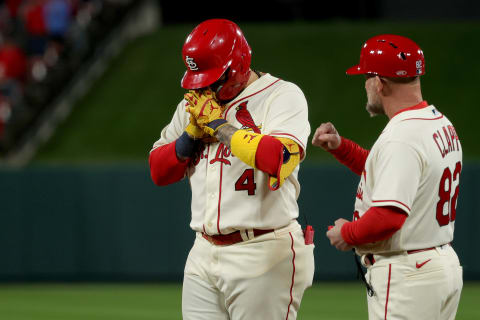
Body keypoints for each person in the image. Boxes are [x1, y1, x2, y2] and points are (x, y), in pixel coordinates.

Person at [149, 19, 314, 320]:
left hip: (263, 249)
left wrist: (218, 126)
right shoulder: (195, 104)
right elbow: (159, 172)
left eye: (212, 77)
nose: (205, 86)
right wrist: (190, 137)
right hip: (203, 251)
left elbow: (279, 158)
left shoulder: (282, 96)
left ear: (238, 64)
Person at [312, 34, 463, 319]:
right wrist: (343, 148)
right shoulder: (438, 122)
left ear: (379, 83)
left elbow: (388, 216)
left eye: (366, 77)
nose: (365, 85)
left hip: (409, 275)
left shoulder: (401, 136)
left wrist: (347, 233)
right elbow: (397, 171)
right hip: (438, 266)